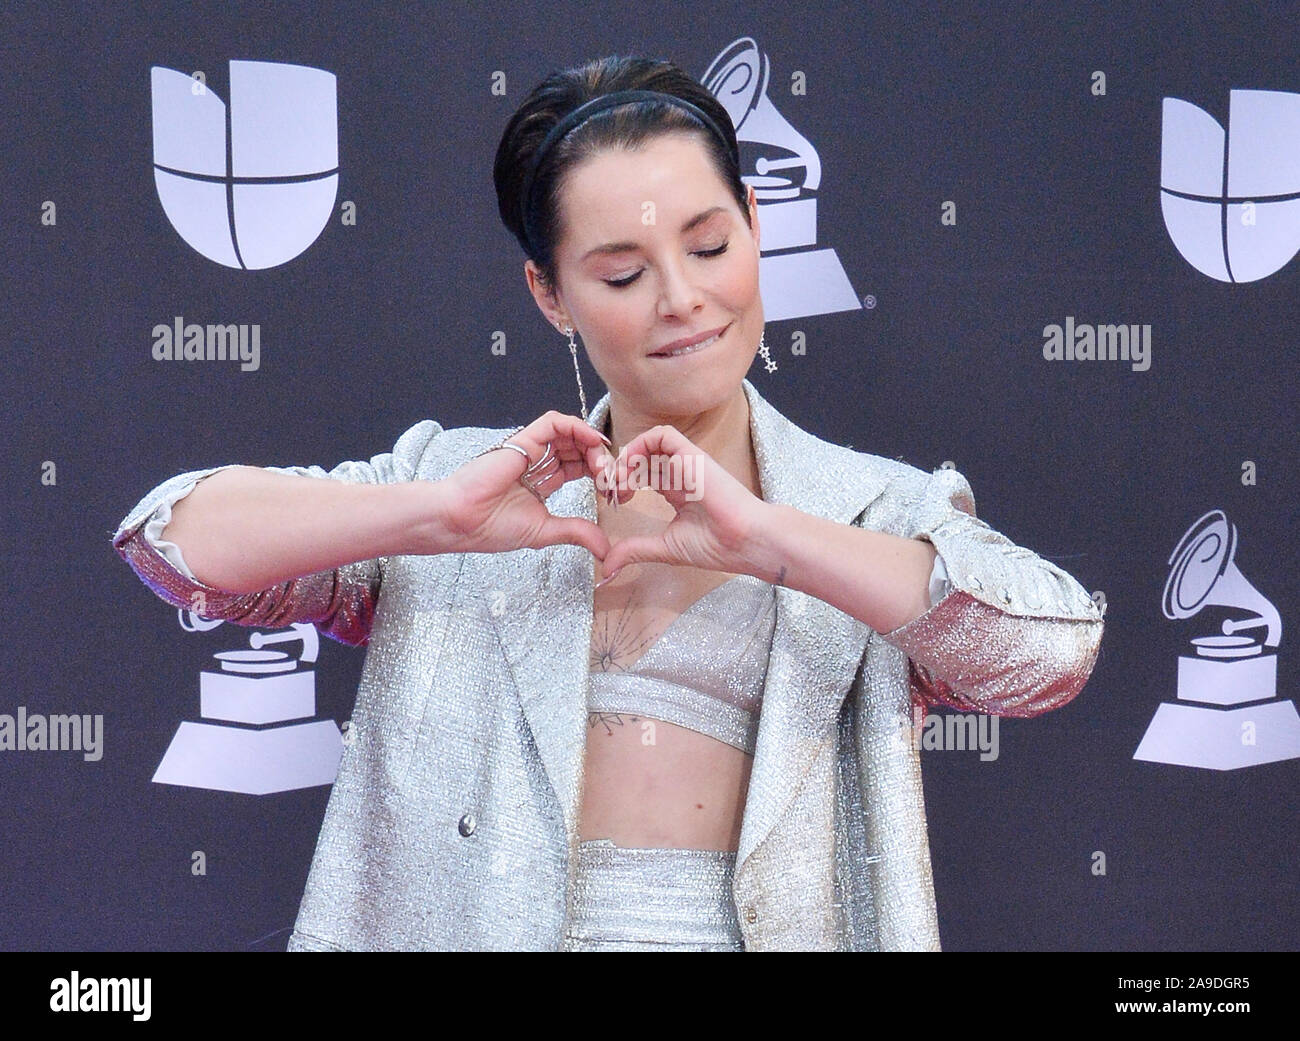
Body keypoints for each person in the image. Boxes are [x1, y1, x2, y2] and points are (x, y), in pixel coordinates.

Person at [111, 54, 1104, 951]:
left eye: (711, 247)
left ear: (758, 226)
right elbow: (175, 542)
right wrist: (434, 517)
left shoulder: (869, 507)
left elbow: (1049, 657)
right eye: (622, 273)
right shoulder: (464, 485)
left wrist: (765, 538)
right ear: (549, 296)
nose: (680, 297)